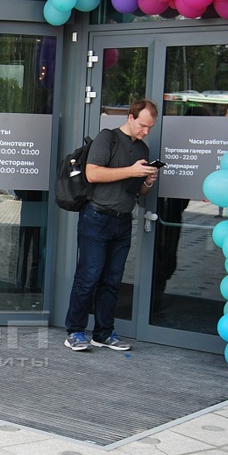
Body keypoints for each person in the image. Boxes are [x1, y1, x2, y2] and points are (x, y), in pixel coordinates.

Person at [64, 99, 159, 352]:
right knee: (88, 276)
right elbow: (92, 173)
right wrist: (131, 171)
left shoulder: (143, 149)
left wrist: (147, 180)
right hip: (96, 217)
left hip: (122, 220)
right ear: (130, 117)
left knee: (112, 280)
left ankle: (103, 333)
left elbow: (138, 191)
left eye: (150, 127)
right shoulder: (107, 138)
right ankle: (74, 331)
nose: (145, 131)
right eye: (142, 125)